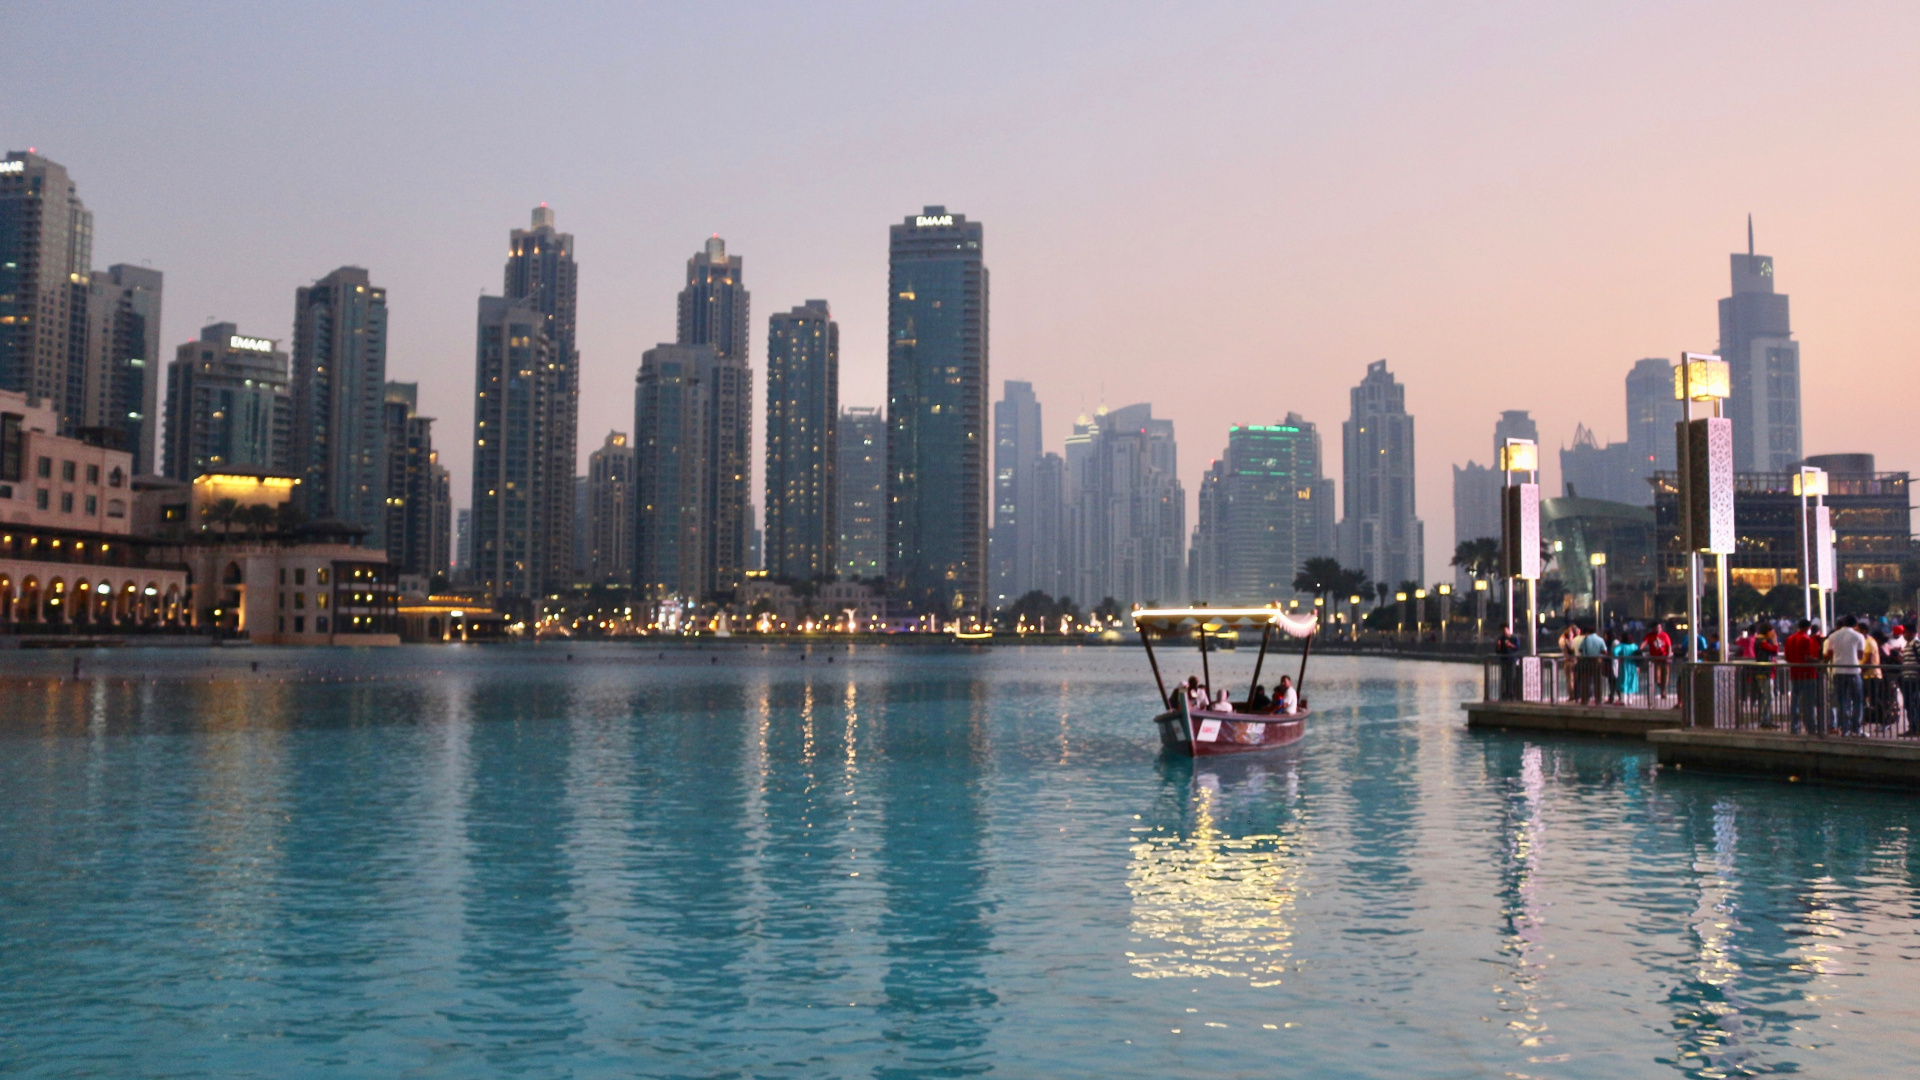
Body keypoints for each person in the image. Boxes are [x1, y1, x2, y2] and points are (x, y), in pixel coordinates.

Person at [1825, 616, 1868, 736]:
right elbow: (1860, 656)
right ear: (1856, 624)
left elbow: (1829, 654)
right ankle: (1856, 728)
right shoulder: (1859, 636)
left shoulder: (1833, 636)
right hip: (1854, 671)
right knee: (1858, 700)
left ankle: (1845, 728)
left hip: (1838, 671)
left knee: (1842, 701)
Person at [1784, 619, 1821, 734]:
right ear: (1808, 628)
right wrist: (1818, 661)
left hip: (1794, 673)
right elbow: (1807, 658)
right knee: (1808, 703)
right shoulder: (1806, 639)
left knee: (1794, 701)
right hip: (1808, 674)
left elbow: (1786, 657)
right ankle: (1810, 727)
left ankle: (1794, 727)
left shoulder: (1789, 639)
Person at [1644, 622, 1673, 701]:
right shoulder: (1650, 635)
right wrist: (1639, 650)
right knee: (1657, 677)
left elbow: (1669, 645)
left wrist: (1669, 654)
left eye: (1660, 628)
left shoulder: (1665, 635)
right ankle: (1662, 689)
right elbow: (1644, 643)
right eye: (1657, 628)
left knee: (1665, 676)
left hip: (1665, 659)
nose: (1659, 629)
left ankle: (1663, 691)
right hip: (1656, 660)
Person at [1495, 625, 1520, 700]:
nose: (1504, 632)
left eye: (1505, 630)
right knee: (1504, 677)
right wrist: (1499, 646)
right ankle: (1505, 693)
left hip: (1512, 660)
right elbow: (1498, 651)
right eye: (1502, 631)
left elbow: (1517, 647)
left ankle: (1512, 694)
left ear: (1508, 630)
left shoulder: (1514, 638)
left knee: (1512, 676)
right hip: (1504, 659)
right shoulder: (1501, 639)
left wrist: (1510, 645)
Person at [1613, 633, 1641, 698]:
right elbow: (1638, 654)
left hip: (1624, 666)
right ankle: (1630, 700)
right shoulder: (1634, 646)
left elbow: (1615, 651)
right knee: (1632, 681)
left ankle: (1624, 699)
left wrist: (1619, 658)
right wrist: (1638, 666)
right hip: (1633, 666)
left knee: (1623, 681)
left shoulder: (1621, 646)